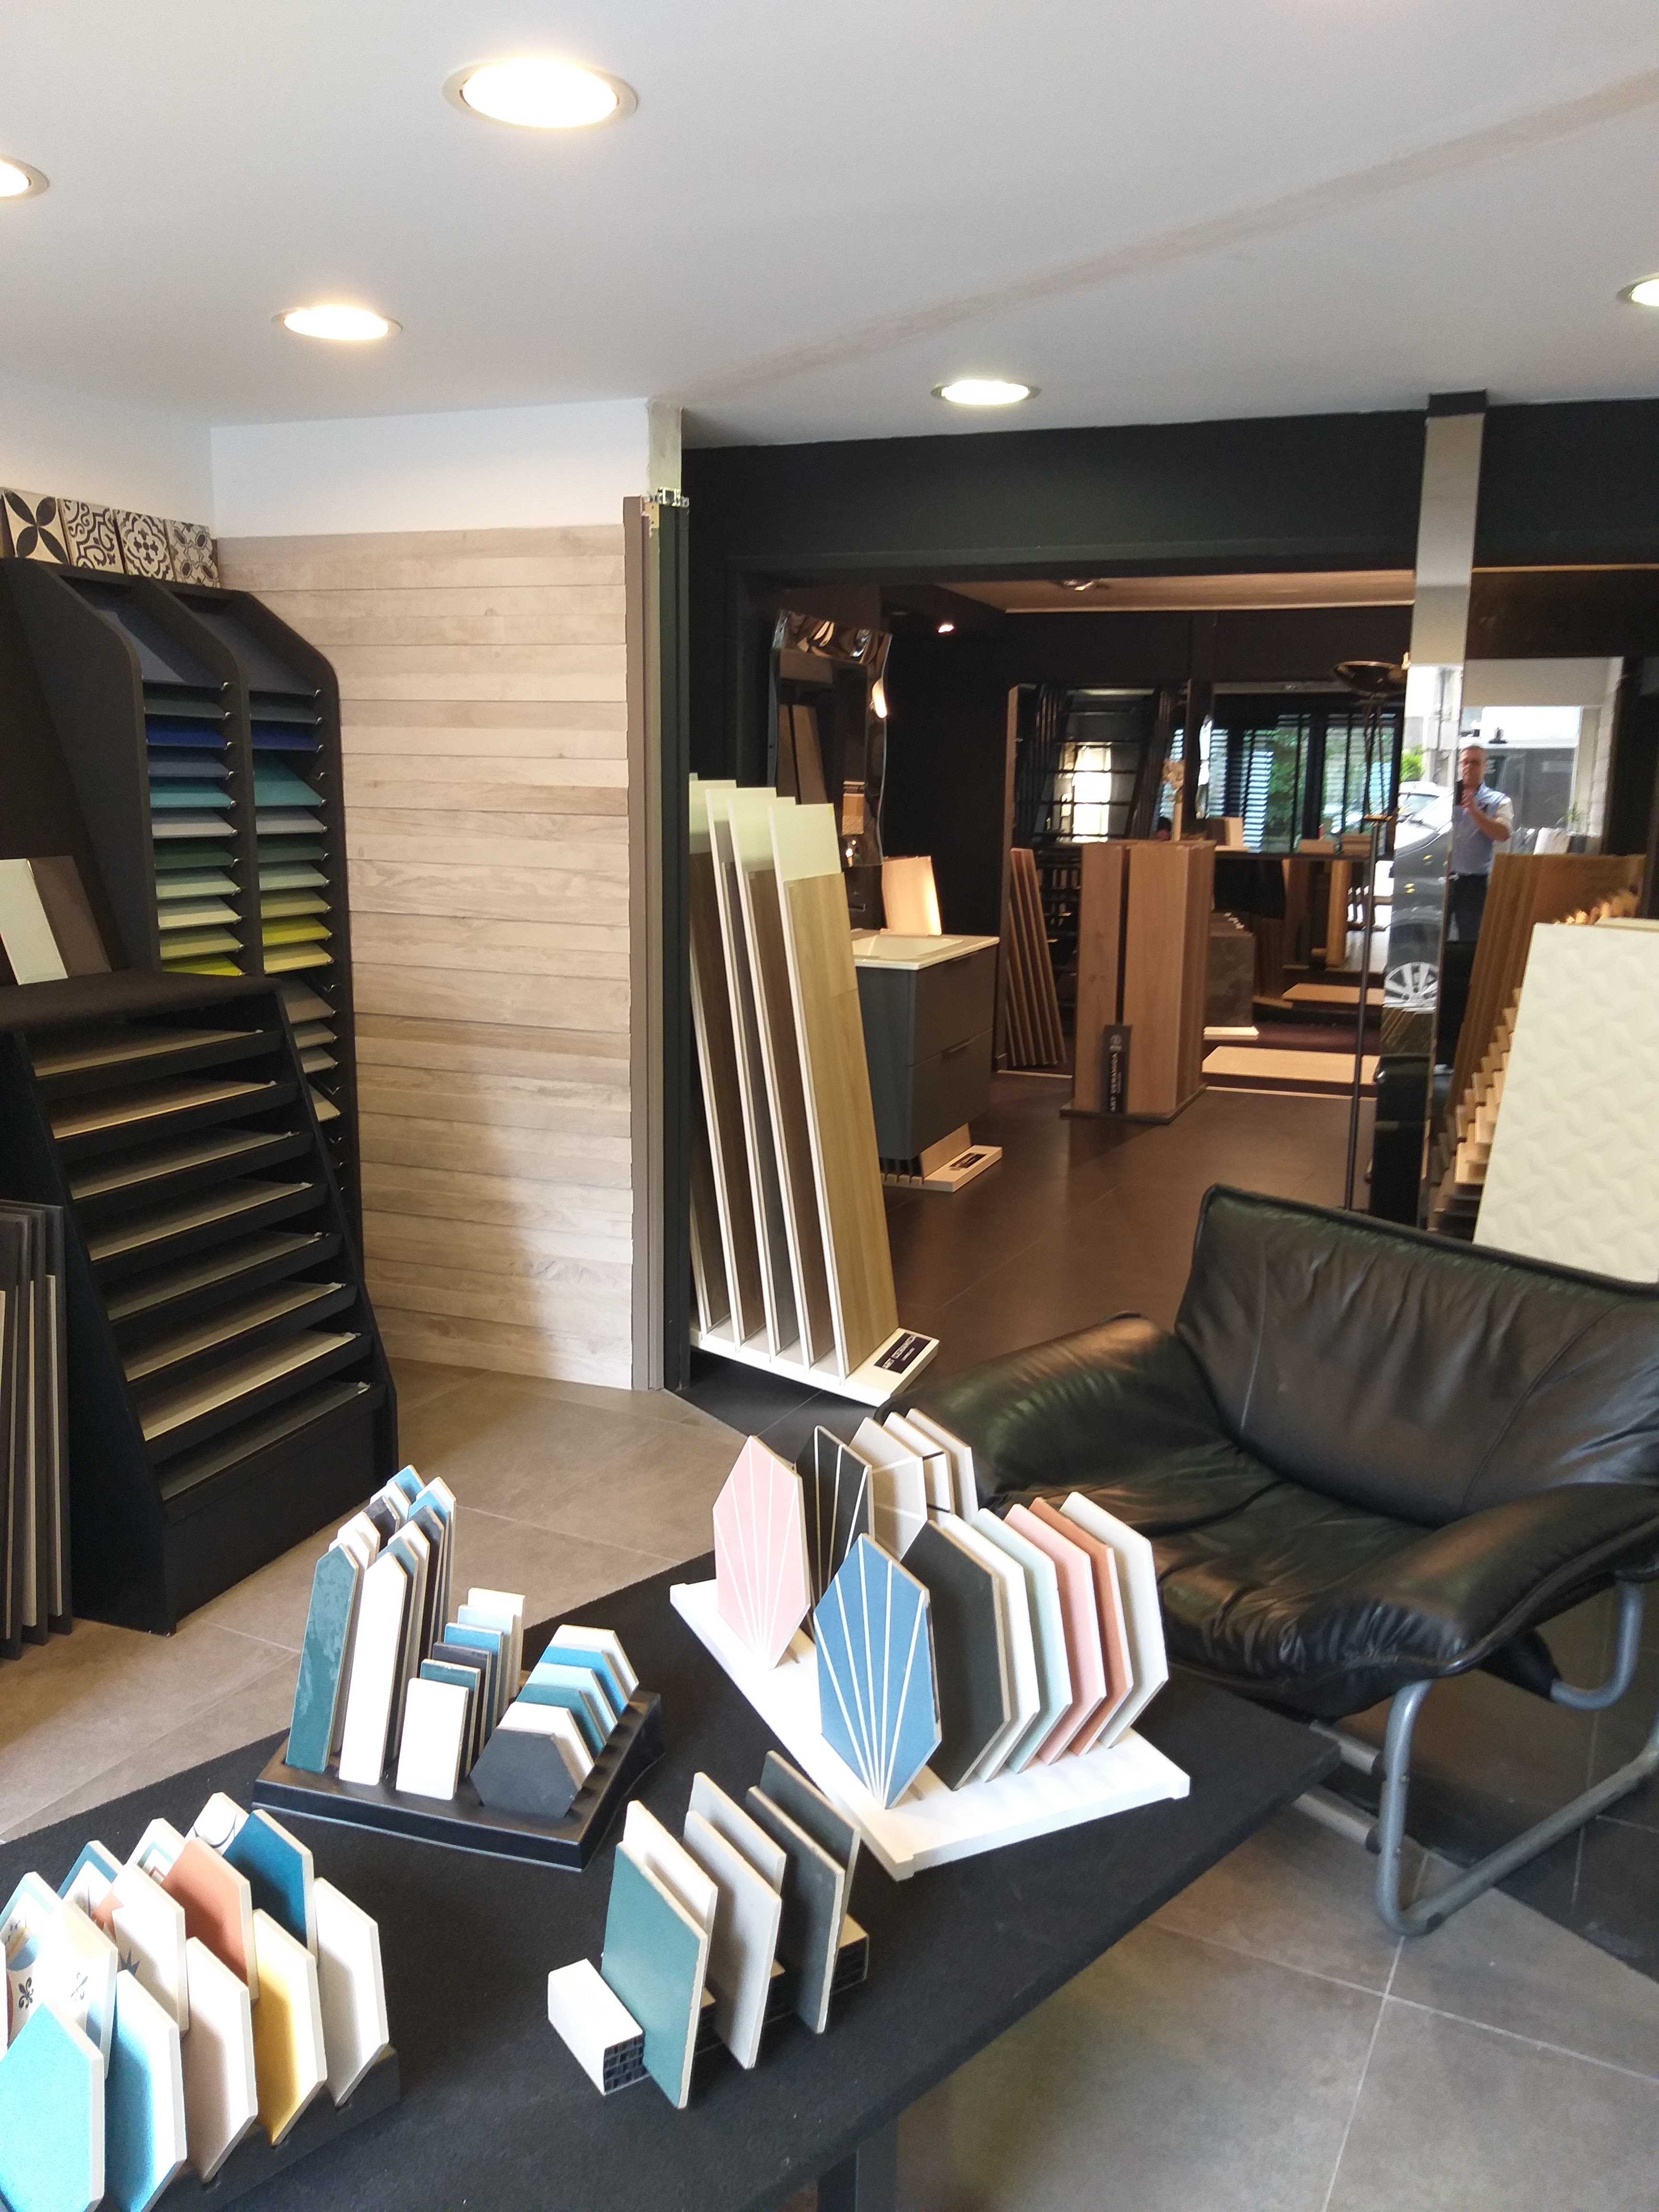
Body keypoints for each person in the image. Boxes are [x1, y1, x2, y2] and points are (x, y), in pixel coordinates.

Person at [1447, 743, 1513, 940]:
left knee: (1471, 939)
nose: (1469, 767)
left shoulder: (1499, 801)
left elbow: (1503, 834)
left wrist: (1475, 811)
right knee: (1435, 938)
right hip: (1443, 879)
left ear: (1485, 767)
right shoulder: (1446, 798)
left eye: (1475, 763)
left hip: (1474, 883)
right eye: (1465, 762)